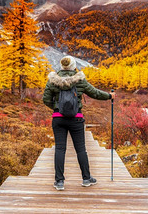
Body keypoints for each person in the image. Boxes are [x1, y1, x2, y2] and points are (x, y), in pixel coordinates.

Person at [43, 56, 115, 191]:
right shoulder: (79, 80)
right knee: (81, 149)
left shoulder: (53, 80)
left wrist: (56, 108)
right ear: (73, 66)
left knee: (60, 149)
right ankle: (86, 178)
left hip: (58, 119)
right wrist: (109, 96)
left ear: (62, 66)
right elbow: (95, 93)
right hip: (76, 118)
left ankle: (59, 181)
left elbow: (46, 99)